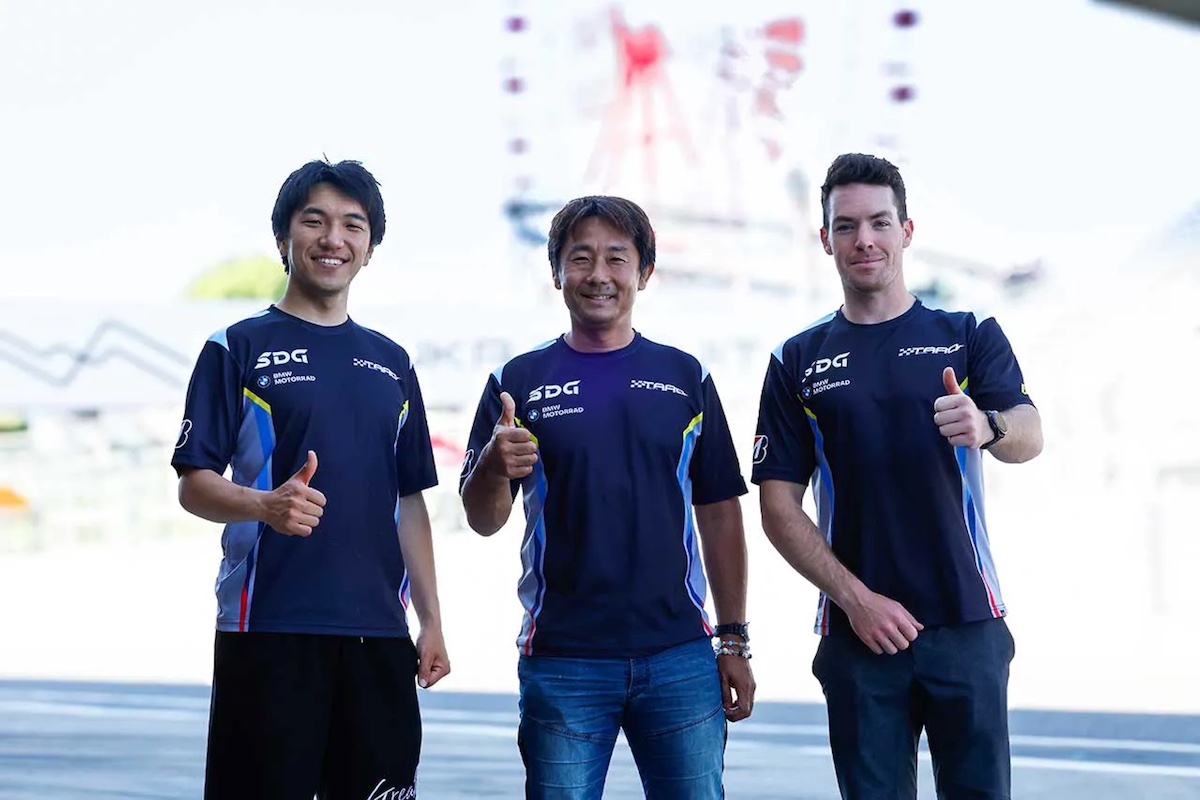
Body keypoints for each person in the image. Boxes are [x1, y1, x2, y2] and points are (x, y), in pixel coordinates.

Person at [752, 153, 1043, 799]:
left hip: (967, 623)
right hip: (859, 637)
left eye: (880, 222)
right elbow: (777, 506)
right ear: (825, 238)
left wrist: (988, 425)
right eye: (847, 225)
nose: (865, 239)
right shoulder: (796, 359)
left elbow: (1029, 434)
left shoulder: (967, 334)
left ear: (906, 231)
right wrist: (856, 601)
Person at [459, 195, 755, 799]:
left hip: (679, 655)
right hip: (562, 658)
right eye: (581, 258)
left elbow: (721, 512)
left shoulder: (685, 377)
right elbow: (484, 519)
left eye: (617, 258)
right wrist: (492, 464)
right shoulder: (517, 382)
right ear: (556, 273)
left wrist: (733, 640)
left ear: (644, 273)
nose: (599, 274)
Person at [172, 158, 450, 799]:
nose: (333, 239)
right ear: (283, 238)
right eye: (314, 221)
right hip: (269, 629)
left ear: (370, 248)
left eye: (353, 225)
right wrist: (263, 505)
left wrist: (431, 621)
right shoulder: (235, 347)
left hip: (379, 633)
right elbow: (193, 484)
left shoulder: (393, 362)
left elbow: (409, 501)